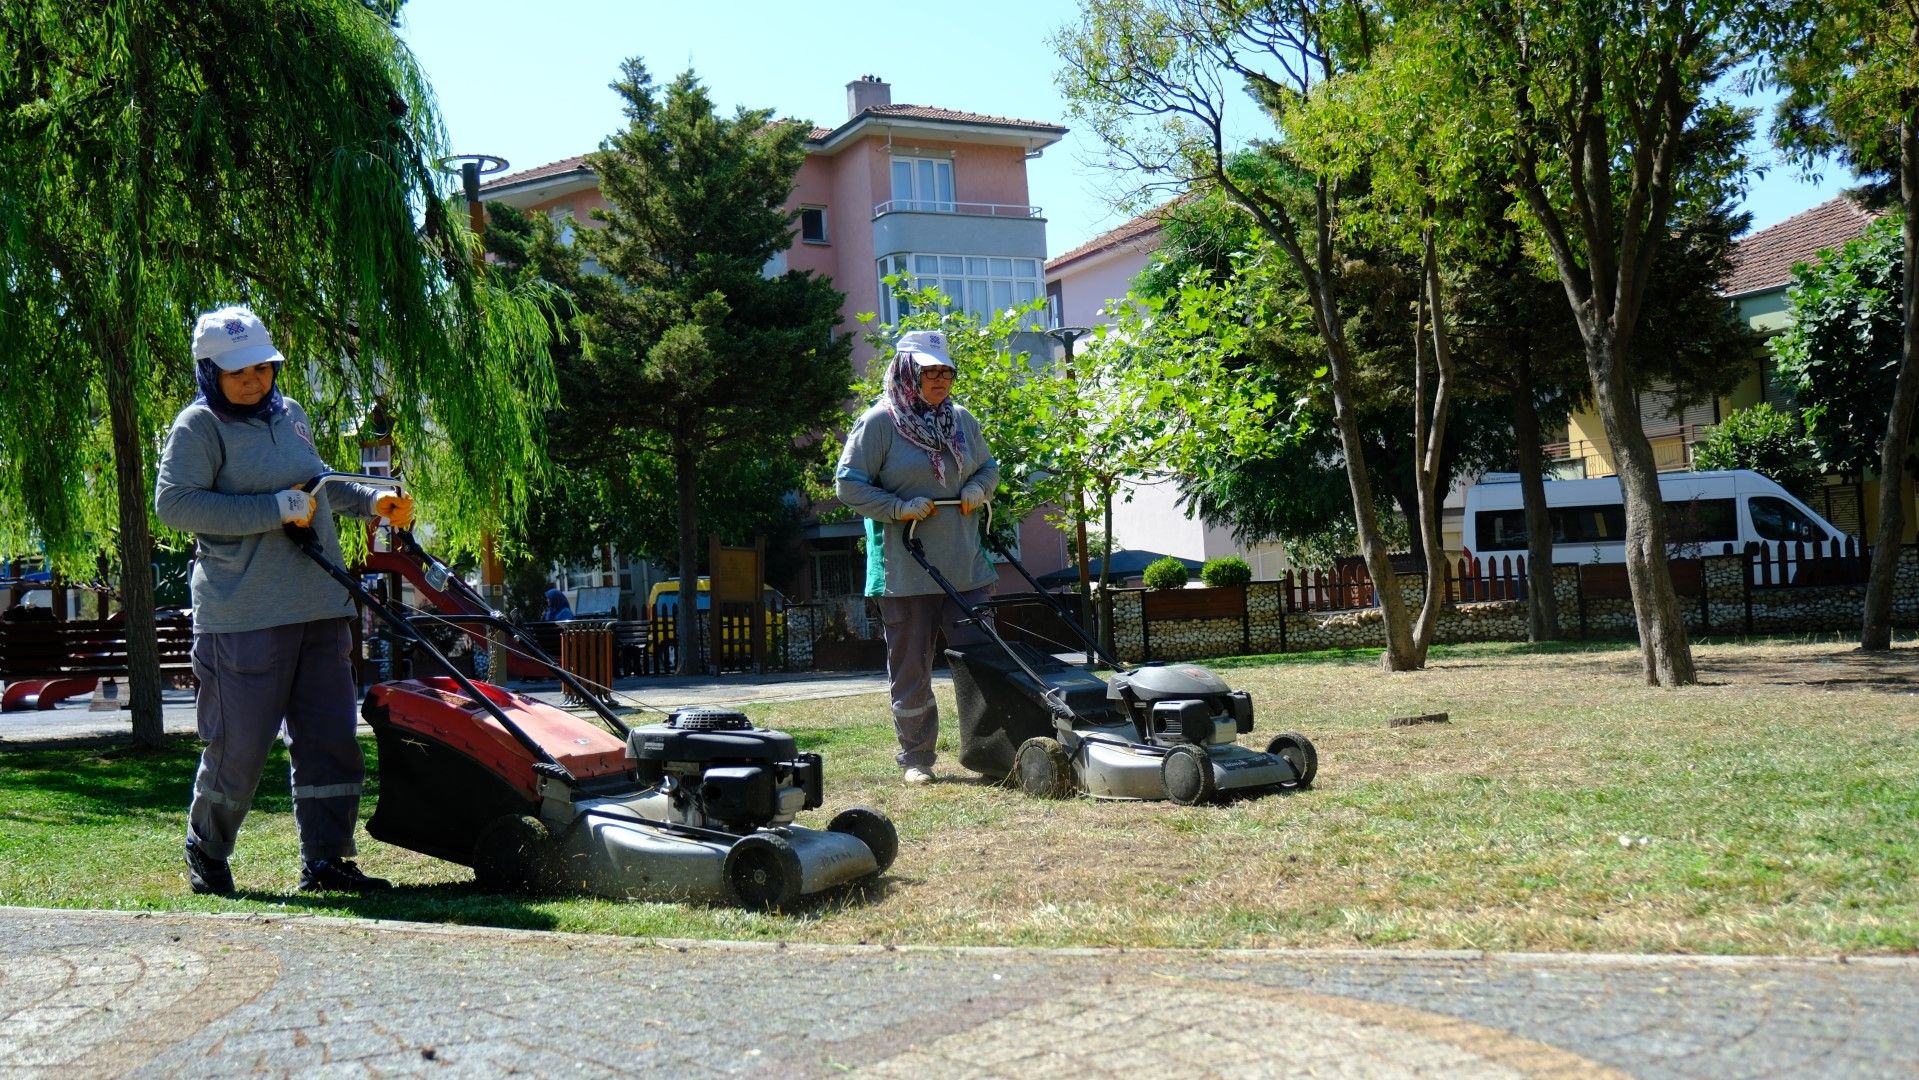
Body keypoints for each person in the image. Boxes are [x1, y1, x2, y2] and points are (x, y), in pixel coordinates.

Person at [155, 305, 414, 896]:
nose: (253, 380)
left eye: (262, 368)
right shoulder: (198, 427)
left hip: (320, 608)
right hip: (243, 617)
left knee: (331, 743)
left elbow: (317, 481)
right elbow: (175, 505)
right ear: (209, 372)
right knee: (239, 750)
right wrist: (272, 510)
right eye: (238, 372)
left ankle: (327, 862)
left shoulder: (290, 413)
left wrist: (373, 501)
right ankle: (208, 849)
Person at [835, 329, 999, 784]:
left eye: (946, 370)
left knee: (983, 662)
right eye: (930, 371)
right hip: (905, 571)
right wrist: (897, 508)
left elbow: (989, 466)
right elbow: (848, 484)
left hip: (966, 567)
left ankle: (991, 753)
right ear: (908, 372)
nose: (941, 379)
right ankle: (916, 758)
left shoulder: (962, 420)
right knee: (911, 669)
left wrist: (976, 487)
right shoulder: (879, 423)